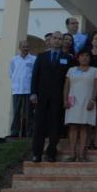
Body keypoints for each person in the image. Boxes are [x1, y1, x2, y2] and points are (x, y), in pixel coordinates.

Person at [30, 31, 72, 162]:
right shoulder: (41, 56)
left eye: (60, 39)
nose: (57, 41)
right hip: (41, 97)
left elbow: (69, 79)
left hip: (58, 97)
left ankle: (51, 153)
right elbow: (35, 76)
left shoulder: (68, 58)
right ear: (50, 40)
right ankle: (37, 153)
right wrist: (33, 93)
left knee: (55, 126)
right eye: (55, 38)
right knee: (39, 126)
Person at [63, 50, 97, 162]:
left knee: (84, 127)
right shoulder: (71, 70)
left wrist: (92, 100)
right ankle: (72, 154)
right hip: (73, 102)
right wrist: (64, 100)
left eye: (87, 56)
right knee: (73, 127)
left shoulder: (95, 70)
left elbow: (96, 87)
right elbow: (66, 87)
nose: (84, 58)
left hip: (87, 102)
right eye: (82, 56)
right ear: (78, 58)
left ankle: (82, 155)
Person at [9, 40, 36, 138]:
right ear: (19, 48)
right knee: (16, 112)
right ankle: (14, 132)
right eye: (24, 47)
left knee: (29, 113)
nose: (26, 48)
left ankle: (29, 132)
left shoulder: (33, 59)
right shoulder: (14, 60)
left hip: (29, 90)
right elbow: (11, 74)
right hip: (17, 90)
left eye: (27, 46)